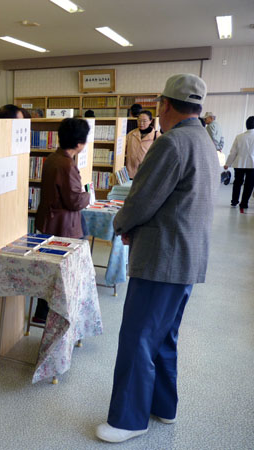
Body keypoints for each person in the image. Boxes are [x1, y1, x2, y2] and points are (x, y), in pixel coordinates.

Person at [96, 74, 218, 443]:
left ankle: (129, 420)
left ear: (165, 105)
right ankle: (163, 406)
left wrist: (120, 224)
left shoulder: (173, 143)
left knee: (138, 337)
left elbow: (142, 198)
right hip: (187, 257)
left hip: (162, 257)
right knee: (164, 335)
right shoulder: (204, 141)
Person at [32, 118, 91, 323]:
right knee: (65, 270)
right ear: (79, 144)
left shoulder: (52, 158)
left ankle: (42, 311)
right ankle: (58, 313)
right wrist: (88, 195)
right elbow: (74, 201)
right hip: (63, 225)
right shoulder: (67, 164)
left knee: (49, 268)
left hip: (48, 221)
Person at [224, 116, 254, 212]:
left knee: (237, 183)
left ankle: (234, 201)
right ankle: (244, 203)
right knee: (249, 184)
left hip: (239, 163)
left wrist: (227, 163)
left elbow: (233, 152)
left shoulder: (239, 137)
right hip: (252, 164)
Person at [124, 110, 158, 178]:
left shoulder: (157, 136)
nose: (141, 123)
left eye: (144, 121)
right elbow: (123, 150)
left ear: (150, 121)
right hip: (130, 172)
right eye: (139, 120)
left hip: (147, 174)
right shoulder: (131, 134)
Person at [204, 112, 230, 184]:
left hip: (211, 149)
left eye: (206, 118)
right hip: (217, 149)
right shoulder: (218, 125)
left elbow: (212, 138)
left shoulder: (209, 126)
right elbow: (222, 137)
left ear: (211, 118)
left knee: (209, 167)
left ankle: (218, 178)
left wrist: (216, 147)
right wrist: (220, 147)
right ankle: (222, 176)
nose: (205, 120)